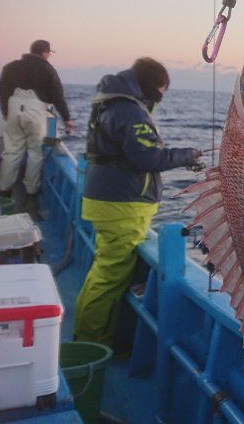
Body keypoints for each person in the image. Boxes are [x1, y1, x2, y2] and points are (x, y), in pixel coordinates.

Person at [74, 57, 202, 348]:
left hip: (107, 200)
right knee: (108, 277)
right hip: (121, 205)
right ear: (150, 87)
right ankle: (92, 343)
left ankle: (87, 336)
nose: (159, 101)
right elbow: (148, 157)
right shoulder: (130, 110)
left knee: (103, 272)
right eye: (160, 93)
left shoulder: (111, 103)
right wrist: (187, 155)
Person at [0, 39, 75, 206]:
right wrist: (66, 118)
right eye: (49, 53)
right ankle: (31, 192)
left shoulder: (10, 67)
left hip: (14, 108)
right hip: (36, 111)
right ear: (45, 52)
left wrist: (5, 111)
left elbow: (2, 90)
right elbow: (58, 96)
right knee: (35, 152)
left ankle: (4, 190)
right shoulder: (48, 69)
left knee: (12, 151)